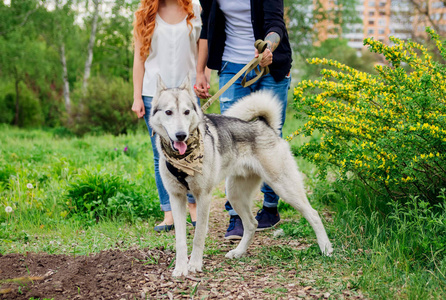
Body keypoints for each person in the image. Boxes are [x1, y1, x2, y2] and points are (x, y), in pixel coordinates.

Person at [194, 0, 292, 239]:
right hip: (231, 66)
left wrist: (267, 48)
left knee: (269, 137)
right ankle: (236, 215)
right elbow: (208, 26)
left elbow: (275, 24)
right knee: (230, 140)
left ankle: (270, 207)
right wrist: (200, 71)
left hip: (271, 65)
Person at [131, 0, 203, 232]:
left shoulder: (195, 8)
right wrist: (137, 96)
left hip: (188, 91)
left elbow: (203, 46)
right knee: (160, 153)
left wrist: (203, 77)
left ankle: (192, 207)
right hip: (154, 93)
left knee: (192, 150)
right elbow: (139, 59)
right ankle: (169, 213)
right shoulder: (144, 13)